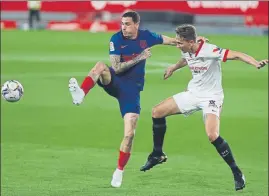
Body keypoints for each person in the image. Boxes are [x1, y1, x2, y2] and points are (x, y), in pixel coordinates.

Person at [68, 11, 207, 188]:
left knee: (129, 133)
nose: (123, 27)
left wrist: (195, 41)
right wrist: (139, 57)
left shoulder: (147, 36)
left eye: (127, 24)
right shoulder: (116, 39)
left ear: (136, 25)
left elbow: (173, 41)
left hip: (132, 91)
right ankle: (80, 94)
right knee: (101, 66)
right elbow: (117, 68)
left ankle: (119, 170)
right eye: (122, 24)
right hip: (115, 82)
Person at [140, 24, 268, 191]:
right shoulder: (186, 48)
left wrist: (255, 63)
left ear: (191, 42)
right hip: (193, 93)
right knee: (157, 112)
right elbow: (186, 58)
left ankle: (236, 172)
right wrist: (173, 67)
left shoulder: (210, 50)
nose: (177, 45)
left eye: (180, 43)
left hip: (211, 97)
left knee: (212, 135)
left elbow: (236, 55)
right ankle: (157, 155)